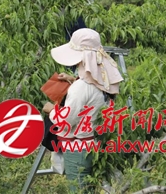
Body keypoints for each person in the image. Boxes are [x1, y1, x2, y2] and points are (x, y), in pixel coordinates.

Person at [42, 28, 123, 193]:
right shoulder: (103, 79)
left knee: (79, 189)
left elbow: (67, 121)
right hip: (96, 143)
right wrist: (74, 80)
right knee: (90, 188)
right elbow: (93, 96)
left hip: (78, 149)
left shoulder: (80, 88)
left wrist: (51, 110)